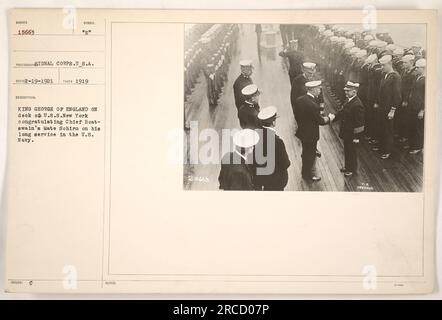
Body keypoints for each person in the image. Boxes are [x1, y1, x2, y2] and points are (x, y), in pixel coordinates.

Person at [294, 80, 332, 181]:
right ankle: (308, 175)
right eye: (318, 88)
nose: (319, 90)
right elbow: (320, 121)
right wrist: (329, 118)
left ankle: (305, 172)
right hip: (311, 135)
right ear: (312, 89)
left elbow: (296, 116)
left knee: (306, 153)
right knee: (309, 155)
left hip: (303, 132)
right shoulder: (312, 104)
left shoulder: (300, 100)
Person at [329, 81, 365, 176]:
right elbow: (342, 112)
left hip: (352, 134)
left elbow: (359, 124)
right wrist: (334, 117)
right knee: (347, 150)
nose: (346, 93)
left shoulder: (357, 104)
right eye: (345, 91)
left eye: (348, 91)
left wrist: (357, 137)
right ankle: (347, 166)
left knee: (352, 152)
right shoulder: (348, 100)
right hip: (347, 131)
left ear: (354, 91)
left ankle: (352, 169)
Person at [254, 106, 291, 191]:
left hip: (263, 179)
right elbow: (285, 163)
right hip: (276, 181)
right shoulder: (278, 142)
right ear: (273, 122)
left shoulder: (257, 137)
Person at [374, 55, 402, 159]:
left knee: (388, 130)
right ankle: (382, 146)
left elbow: (397, 95)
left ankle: (387, 150)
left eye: (384, 65)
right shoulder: (384, 74)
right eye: (381, 65)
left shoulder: (396, 77)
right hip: (382, 107)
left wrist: (393, 110)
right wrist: (377, 101)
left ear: (390, 64)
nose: (382, 67)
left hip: (389, 108)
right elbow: (380, 90)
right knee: (381, 127)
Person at [407, 58, 426, 154]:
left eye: (418, 68)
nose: (416, 69)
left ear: (423, 68)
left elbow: (426, 96)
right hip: (413, 106)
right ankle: (412, 143)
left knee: (418, 128)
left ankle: (418, 146)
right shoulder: (418, 77)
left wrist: (422, 110)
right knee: (413, 126)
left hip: (419, 107)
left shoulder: (426, 79)